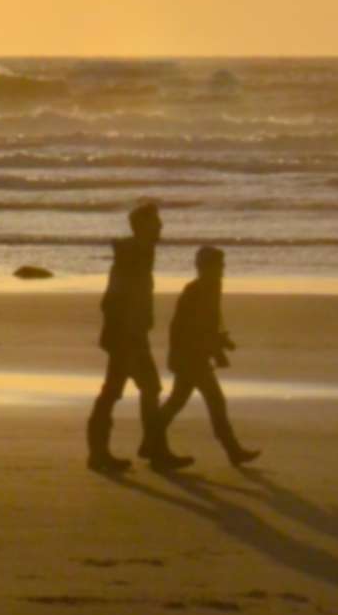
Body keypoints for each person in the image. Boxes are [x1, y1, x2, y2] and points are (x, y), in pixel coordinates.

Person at [87, 201, 188, 472]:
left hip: (130, 335)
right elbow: (113, 300)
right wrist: (130, 332)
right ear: (142, 226)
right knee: (131, 390)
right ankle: (151, 451)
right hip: (126, 337)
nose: (161, 227)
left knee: (122, 390)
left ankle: (121, 451)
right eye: (156, 222)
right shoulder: (132, 255)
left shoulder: (142, 252)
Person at [158, 246, 257, 466]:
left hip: (194, 355)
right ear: (205, 268)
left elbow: (212, 323)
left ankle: (152, 440)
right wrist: (217, 349)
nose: (223, 269)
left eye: (222, 265)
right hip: (189, 355)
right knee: (214, 400)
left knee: (178, 401)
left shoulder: (212, 286)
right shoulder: (196, 290)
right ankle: (233, 451)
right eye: (219, 265)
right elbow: (192, 328)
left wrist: (220, 343)